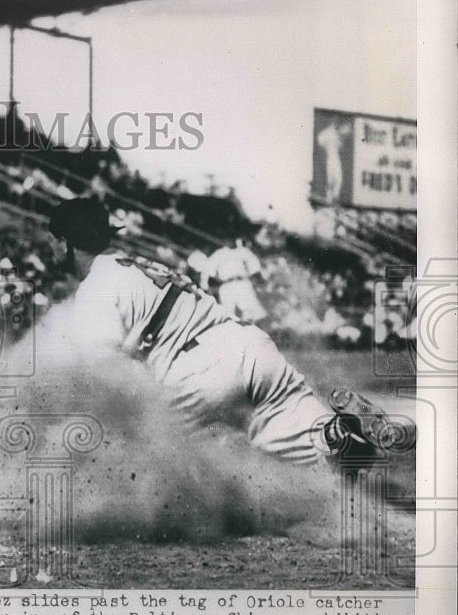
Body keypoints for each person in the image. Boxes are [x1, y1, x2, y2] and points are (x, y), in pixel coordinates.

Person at [47, 197, 410, 469]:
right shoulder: (144, 263)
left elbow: (108, 373)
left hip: (197, 371)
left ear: (65, 242)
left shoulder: (96, 287)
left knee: (139, 459)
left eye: (53, 239)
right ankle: (337, 434)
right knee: (316, 444)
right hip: (250, 345)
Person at [201, 238, 268, 323]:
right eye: (229, 238)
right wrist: (204, 285)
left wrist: (259, 278)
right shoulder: (220, 253)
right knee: (228, 314)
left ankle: (251, 330)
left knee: (250, 311)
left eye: (233, 238)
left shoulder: (243, 251)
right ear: (225, 241)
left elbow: (255, 265)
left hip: (242, 283)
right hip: (226, 285)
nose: (231, 241)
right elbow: (207, 268)